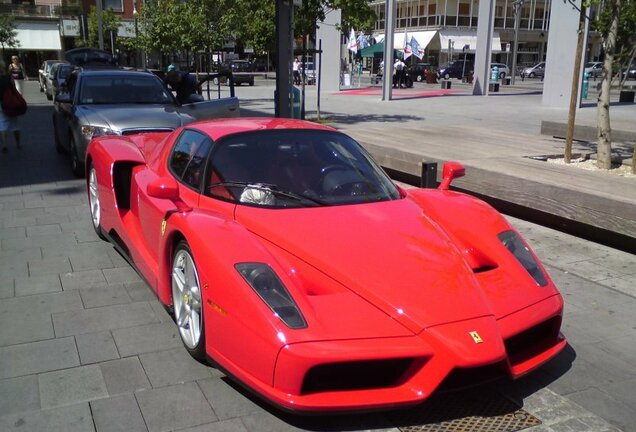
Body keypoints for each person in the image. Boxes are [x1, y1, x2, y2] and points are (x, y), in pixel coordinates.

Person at [0, 60, 22, 153]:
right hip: (10, 103)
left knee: (2, 123)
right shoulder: (8, 77)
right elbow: (14, 88)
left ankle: (4, 144)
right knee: (14, 124)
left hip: (0, 103)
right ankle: (18, 143)